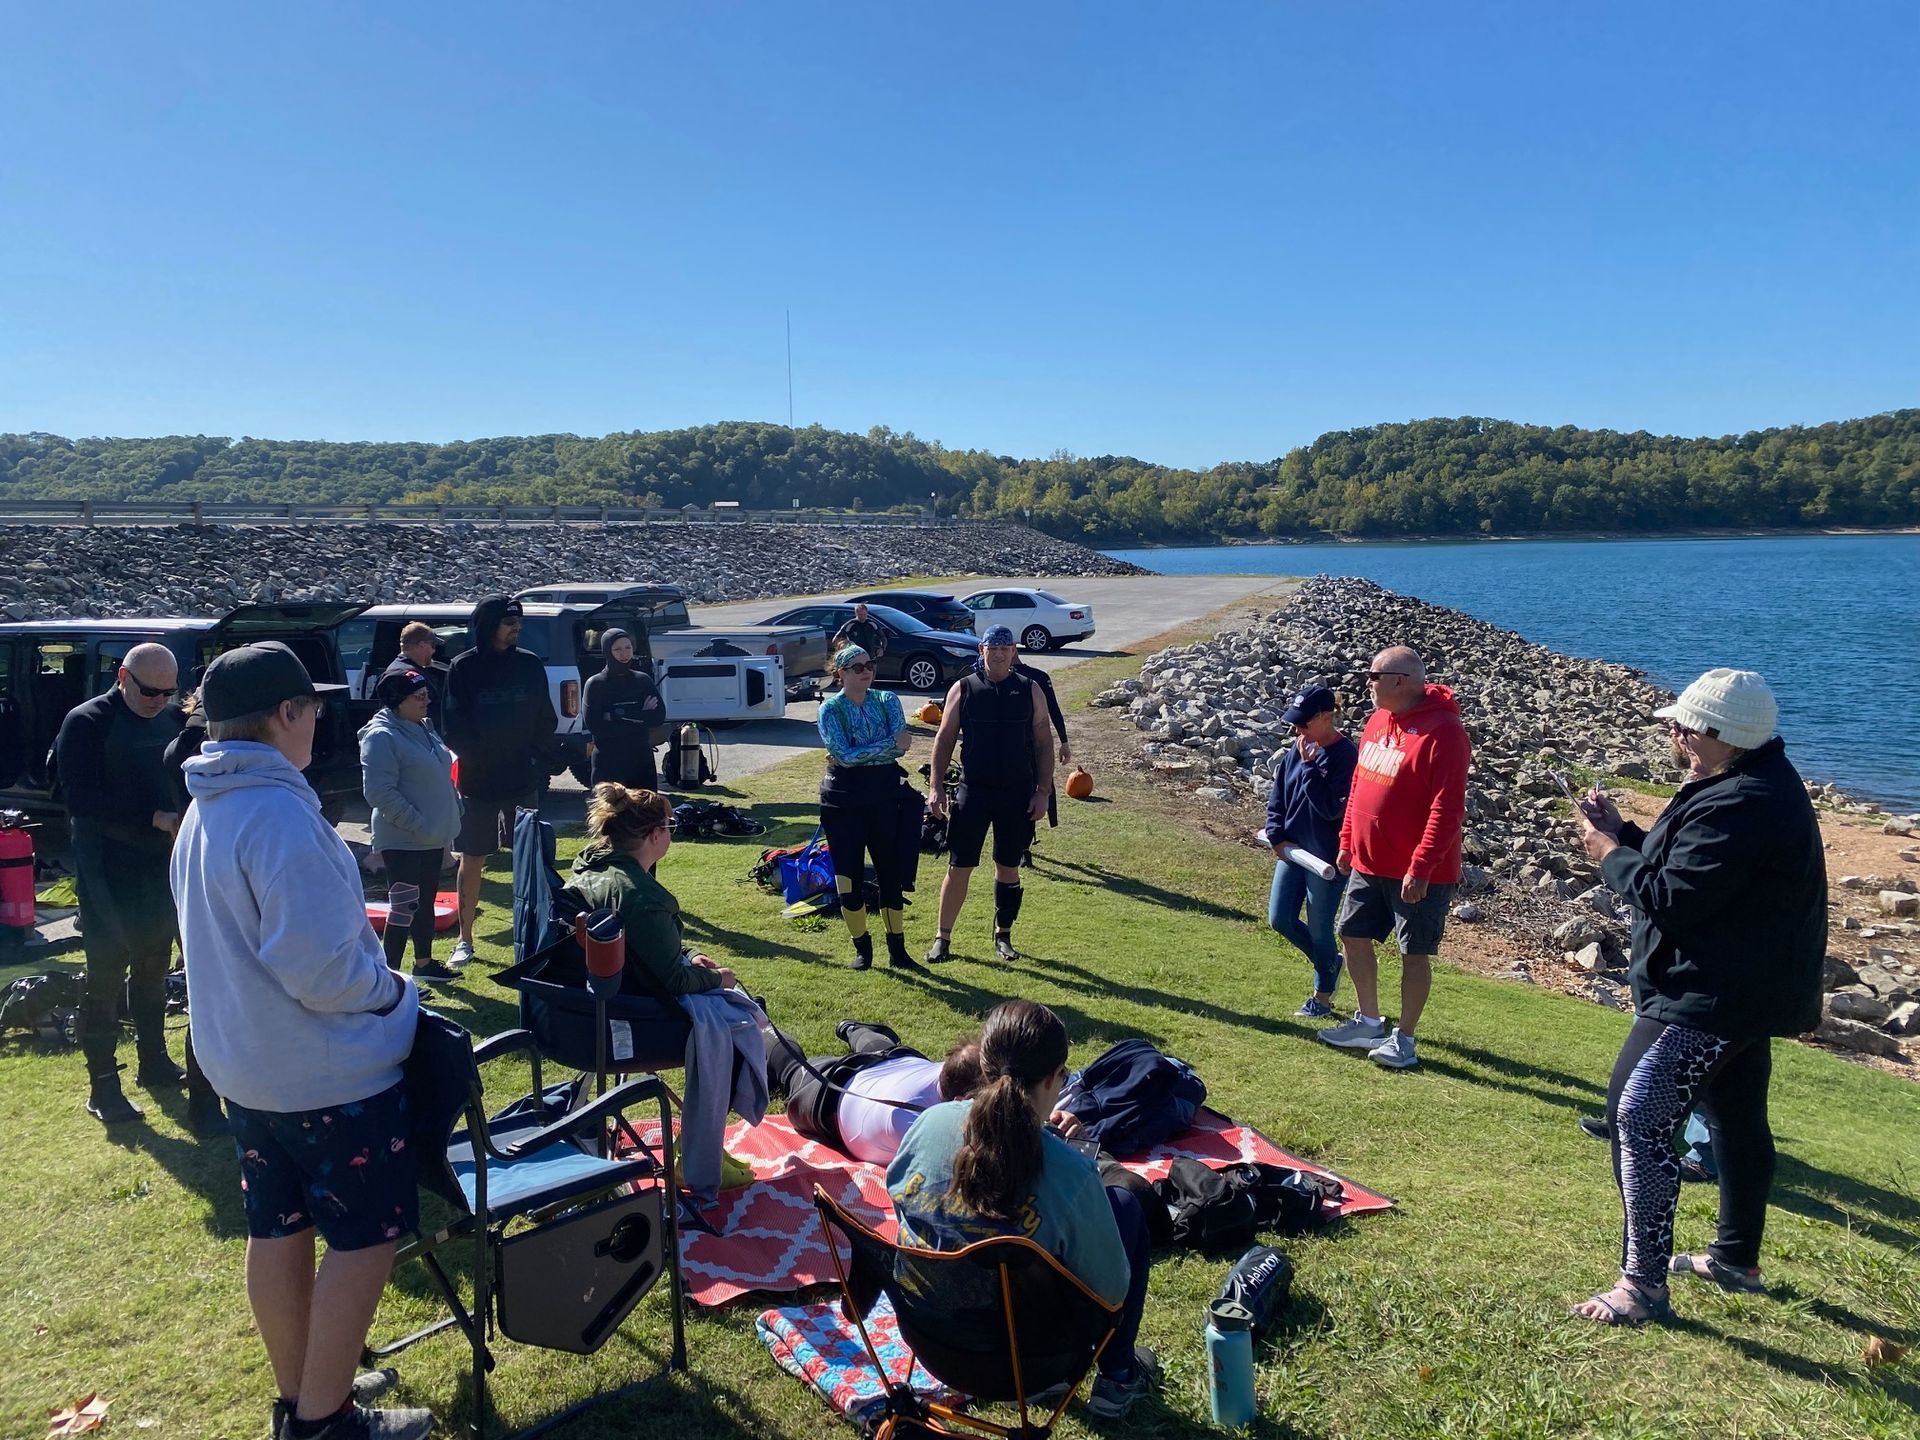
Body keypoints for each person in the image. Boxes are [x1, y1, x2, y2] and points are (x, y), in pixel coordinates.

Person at [170, 641, 431, 1440]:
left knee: (277, 1229)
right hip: (323, 1075)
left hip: (247, 1069)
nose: (320, 719)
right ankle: (327, 1417)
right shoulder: (278, 812)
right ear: (286, 715)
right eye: (314, 707)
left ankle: (305, 1395)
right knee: (366, 1240)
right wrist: (394, 991)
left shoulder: (206, 804)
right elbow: (324, 972)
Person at [1570, 668, 1824, 1326]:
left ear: (1718, 735)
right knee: (1737, 1121)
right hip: (1743, 990)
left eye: (1684, 726)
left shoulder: (1744, 800)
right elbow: (1684, 865)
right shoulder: (1747, 781)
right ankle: (1737, 1259)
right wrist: (1625, 834)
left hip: (1711, 993)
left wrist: (1605, 854)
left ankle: (1642, 1287)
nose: (1674, 733)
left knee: (1637, 1118)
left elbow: (1670, 897)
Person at [887, 999, 1161, 1418]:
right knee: (1124, 1204)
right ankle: (1117, 1377)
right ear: (1054, 1078)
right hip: (1030, 1364)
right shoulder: (1072, 1173)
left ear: (984, 1062)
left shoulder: (930, 1124)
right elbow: (1110, 1293)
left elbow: (900, 1199)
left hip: (931, 1340)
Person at [1319, 646, 1470, 1070]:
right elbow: (1361, 785)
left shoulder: (1445, 732)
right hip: (1369, 861)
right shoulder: (1377, 721)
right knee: (1351, 933)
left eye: (1373, 676)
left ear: (1400, 681)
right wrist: (1348, 840)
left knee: (1413, 952)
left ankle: (1404, 1038)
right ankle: (1368, 1020)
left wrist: (1421, 866)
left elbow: (1447, 809)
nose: (1366, 683)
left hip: (1417, 872)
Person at [55, 641, 186, 1125]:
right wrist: (152, 816)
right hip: (106, 867)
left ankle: (154, 1062)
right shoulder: (88, 722)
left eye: (168, 693)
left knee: (153, 966)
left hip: (157, 866)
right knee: (106, 975)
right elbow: (82, 800)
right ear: (124, 677)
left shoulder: (171, 720)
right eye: (150, 691)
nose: (159, 700)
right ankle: (102, 1087)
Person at [924, 626, 1053, 963]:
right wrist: (935, 786)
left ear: (1014, 652)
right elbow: (944, 738)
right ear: (981, 650)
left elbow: (1043, 742)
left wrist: (1042, 791)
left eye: (1005, 648)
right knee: (959, 865)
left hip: (1016, 792)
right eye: (992, 648)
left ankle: (1004, 936)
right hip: (973, 791)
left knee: (1008, 866)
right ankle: (943, 938)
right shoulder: (964, 688)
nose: (998, 654)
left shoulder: (1029, 688)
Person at [442, 596, 556, 970]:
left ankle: (539, 933)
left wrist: (534, 756)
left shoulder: (529, 664)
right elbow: (453, 727)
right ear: (488, 625)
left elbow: (546, 717)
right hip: (478, 783)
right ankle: (465, 939)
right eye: (509, 624)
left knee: (532, 856)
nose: (516, 629)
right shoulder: (463, 668)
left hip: (522, 779)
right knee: (473, 858)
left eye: (518, 624)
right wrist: (482, 758)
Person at [564, 783, 738, 996]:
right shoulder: (642, 898)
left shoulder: (593, 864)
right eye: (669, 826)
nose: (670, 834)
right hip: (634, 1003)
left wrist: (689, 953)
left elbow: (643, 943)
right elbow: (674, 981)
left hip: (593, 987)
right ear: (656, 834)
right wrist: (721, 977)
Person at [816, 643, 920, 971]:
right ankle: (863, 950)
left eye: (870, 665)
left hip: (884, 795)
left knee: (890, 872)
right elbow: (845, 755)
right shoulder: (831, 710)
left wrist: (866, 752)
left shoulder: (887, 700)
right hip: (843, 800)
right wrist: (887, 745)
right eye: (858, 667)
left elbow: (900, 750)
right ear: (841, 673)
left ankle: (898, 951)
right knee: (848, 877)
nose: (866, 671)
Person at [359, 668, 462, 981]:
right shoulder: (381, 736)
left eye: (426, 693)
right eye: (418, 696)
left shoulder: (423, 727)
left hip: (430, 836)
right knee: (405, 905)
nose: (426, 699)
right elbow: (378, 792)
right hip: (403, 839)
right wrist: (417, 823)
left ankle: (424, 964)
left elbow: (443, 770)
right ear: (397, 701)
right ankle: (388, 976)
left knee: (426, 902)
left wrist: (452, 810)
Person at [159, 684, 228, 1138]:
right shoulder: (194, 747)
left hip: (194, 871)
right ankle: (204, 1103)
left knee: (205, 987)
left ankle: (207, 1101)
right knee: (208, 991)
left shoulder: (182, 744)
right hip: (206, 872)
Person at [1265, 685, 1358, 1018]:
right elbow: (1280, 793)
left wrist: (1309, 769)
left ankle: (1321, 996)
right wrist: (1276, 835)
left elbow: (1332, 811)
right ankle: (1331, 964)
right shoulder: (1299, 748)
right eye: (1295, 724)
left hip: (1326, 862)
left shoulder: (1346, 755)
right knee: (1280, 919)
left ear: (1326, 717)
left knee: (1320, 929)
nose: (1297, 731)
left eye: (1304, 724)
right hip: (1293, 851)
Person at [767, 1020, 982, 1164]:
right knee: (792, 1068)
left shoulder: (956, 1071)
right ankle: (759, 1024)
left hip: (897, 1062)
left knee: (879, 1047)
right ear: (960, 1100)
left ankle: (852, 1028)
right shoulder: (913, 1123)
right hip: (832, 1095)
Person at [582, 628, 666, 791]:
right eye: (617, 649)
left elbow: (658, 717)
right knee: (610, 814)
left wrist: (613, 715)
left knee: (644, 814)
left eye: (627, 647)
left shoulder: (642, 680)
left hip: (641, 762)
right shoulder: (596, 684)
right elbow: (596, 727)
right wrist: (641, 715)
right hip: (609, 763)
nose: (624, 653)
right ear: (607, 651)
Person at [1011, 656, 1067, 867]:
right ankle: (1016, 845)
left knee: (1033, 794)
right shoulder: (994, 679)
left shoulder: (1037, 678)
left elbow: (1053, 708)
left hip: (1034, 748)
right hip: (1008, 751)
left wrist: (1064, 741)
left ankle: (1024, 847)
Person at [379, 622, 448, 732]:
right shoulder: (401, 675)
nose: (433, 651)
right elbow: (400, 715)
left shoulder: (412, 670)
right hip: (413, 737)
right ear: (422, 645)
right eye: (433, 646)